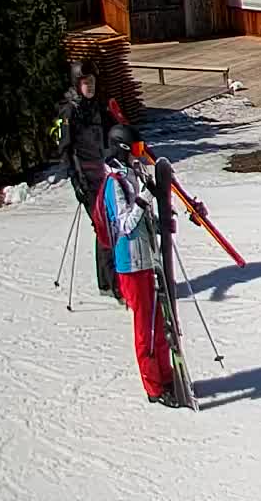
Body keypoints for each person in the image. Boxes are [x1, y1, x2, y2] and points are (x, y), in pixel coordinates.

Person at [94, 143, 176, 406]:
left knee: (158, 324)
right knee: (145, 329)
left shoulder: (130, 176)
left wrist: (159, 213)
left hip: (146, 259)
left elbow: (141, 218)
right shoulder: (113, 183)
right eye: (136, 148)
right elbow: (125, 225)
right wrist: (144, 198)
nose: (139, 153)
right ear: (122, 149)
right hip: (130, 264)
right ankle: (153, 387)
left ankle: (166, 377)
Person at [56, 61, 120, 301]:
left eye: (92, 82)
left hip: (103, 173)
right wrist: (77, 182)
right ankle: (112, 284)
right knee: (104, 227)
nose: (90, 87)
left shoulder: (95, 107)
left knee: (110, 225)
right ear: (76, 83)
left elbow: (113, 130)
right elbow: (65, 150)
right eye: (85, 83)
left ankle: (109, 281)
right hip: (86, 178)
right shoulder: (70, 111)